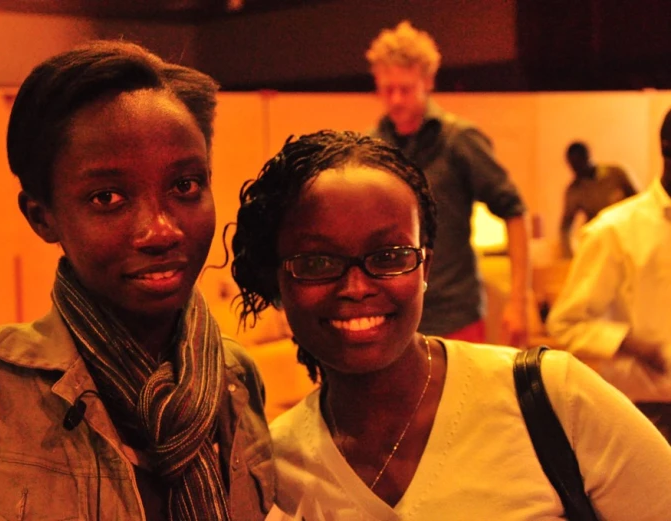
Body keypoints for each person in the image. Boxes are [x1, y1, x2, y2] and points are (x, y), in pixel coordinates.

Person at [0, 41, 274, 520]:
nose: (161, 230)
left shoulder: (235, 380)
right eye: (108, 197)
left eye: (185, 186)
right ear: (42, 217)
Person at [231, 129, 671, 520]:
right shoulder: (275, 474)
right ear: (277, 281)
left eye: (389, 257)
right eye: (318, 262)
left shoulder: (549, 397)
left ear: (426, 270)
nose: (356, 286)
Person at [367, 20, 530, 346]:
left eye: (406, 88)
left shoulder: (460, 140)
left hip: (456, 316)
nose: (396, 100)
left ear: (428, 81)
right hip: (395, 315)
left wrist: (519, 301)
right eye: (388, 89)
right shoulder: (373, 146)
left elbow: (514, 211)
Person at [547, 111, 671, 440]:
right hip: (650, 408)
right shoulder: (613, 231)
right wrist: (631, 343)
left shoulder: (616, 177)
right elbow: (565, 323)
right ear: (667, 149)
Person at [559, 141, 638, 258]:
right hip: (599, 243)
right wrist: (570, 256)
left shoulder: (616, 174)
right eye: (574, 166)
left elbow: (638, 201)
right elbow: (565, 227)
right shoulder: (575, 191)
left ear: (588, 157)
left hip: (626, 236)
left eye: (580, 164)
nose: (577, 170)